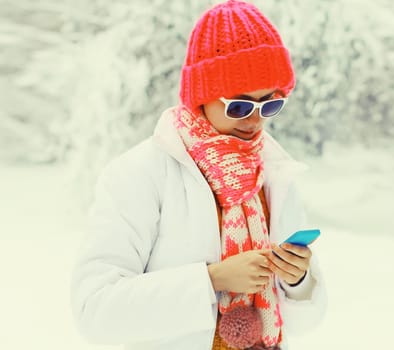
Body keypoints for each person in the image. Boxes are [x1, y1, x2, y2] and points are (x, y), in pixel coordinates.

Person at [70, 1, 327, 349]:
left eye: (270, 105)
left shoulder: (272, 172)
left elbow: (306, 322)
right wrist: (212, 280)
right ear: (202, 97)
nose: (254, 120)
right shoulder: (139, 174)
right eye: (239, 105)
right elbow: (94, 309)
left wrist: (298, 281)